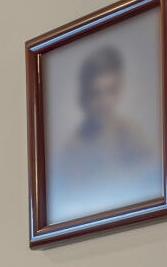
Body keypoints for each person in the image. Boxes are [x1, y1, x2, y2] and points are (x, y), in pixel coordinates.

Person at [49, 41, 155, 207]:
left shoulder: (132, 135)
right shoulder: (72, 149)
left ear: (120, 90)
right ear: (84, 96)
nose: (104, 102)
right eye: (96, 93)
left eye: (110, 91)